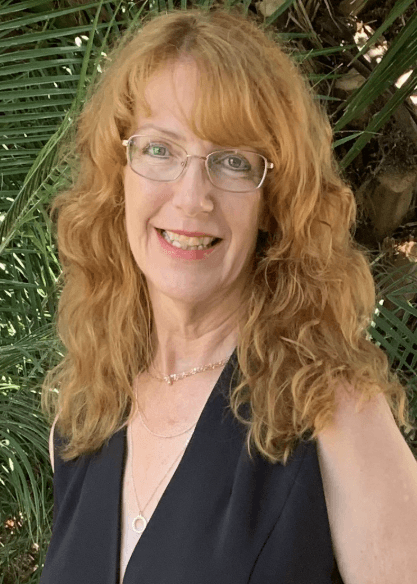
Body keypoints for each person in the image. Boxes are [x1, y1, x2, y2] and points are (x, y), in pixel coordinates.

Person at [39, 4, 417, 584]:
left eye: (233, 162)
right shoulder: (81, 419)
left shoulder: (337, 416)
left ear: (274, 202)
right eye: (159, 150)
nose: (192, 198)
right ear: (118, 176)